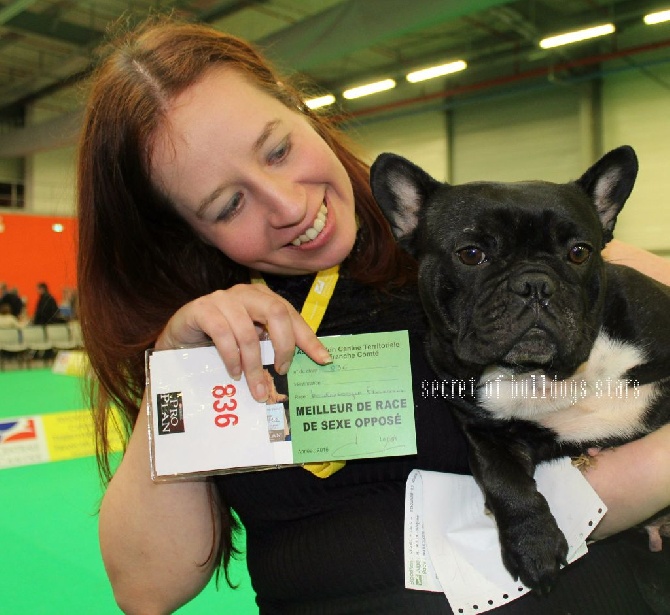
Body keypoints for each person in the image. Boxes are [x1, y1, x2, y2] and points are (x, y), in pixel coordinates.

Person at [77, 17, 670, 615]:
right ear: (185, 230)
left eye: (278, 149)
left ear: (300, 108)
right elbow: (147, 587)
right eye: (229, 204)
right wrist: (178, 371)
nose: (286, 204)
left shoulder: (484, 245)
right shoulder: (212, 347)